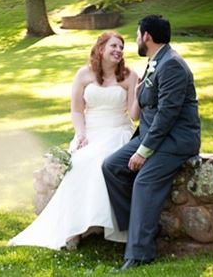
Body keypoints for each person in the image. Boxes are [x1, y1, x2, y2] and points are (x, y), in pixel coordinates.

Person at [8, 31, 140, 250]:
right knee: (79, 164)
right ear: (100, 49)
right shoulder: (84, 75)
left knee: (101, 163)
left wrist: (140, 92)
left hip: (118, 131)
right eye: (113, 46)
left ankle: (105, 225)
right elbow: (77, 111)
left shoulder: (129, 76)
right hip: (90, 133)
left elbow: (134, 115)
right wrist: (81, 134)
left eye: (121, 47)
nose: (118, 51)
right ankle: (74, 228)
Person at [102, 15, 201, 270]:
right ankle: (139, 230)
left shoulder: (172, 65)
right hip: (150, 135)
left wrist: (143, 152)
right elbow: (146, 106)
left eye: (137, 35)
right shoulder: (156, 62)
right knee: (112, 166)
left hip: (175, 140)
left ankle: (138, 254)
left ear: (146, 36)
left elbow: (167, 116)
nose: (135, 40)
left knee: (144, 181)